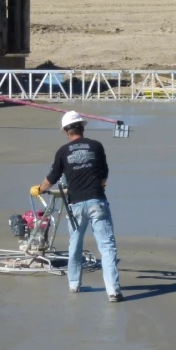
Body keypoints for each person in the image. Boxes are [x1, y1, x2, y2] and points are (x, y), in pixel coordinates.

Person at [30, 111, 123, 302]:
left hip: (76, 205)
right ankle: (113, 291)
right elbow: (105, 173)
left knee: (75, 245)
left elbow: (52, 179)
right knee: (107, 247)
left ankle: (74, 285)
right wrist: (100, 185)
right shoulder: (96, 146)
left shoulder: (63, 152)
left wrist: (39, 189)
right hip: (98, 201)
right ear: (82, 127)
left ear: (66, 131)